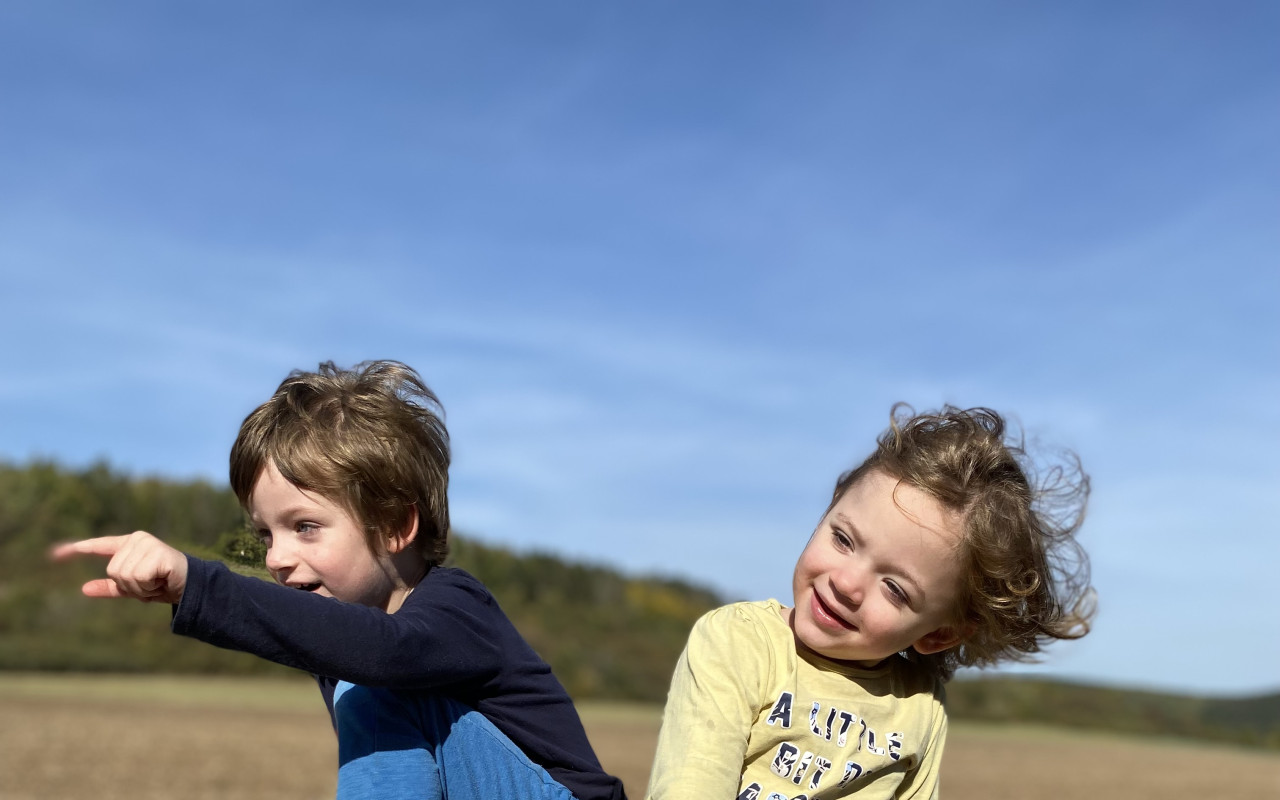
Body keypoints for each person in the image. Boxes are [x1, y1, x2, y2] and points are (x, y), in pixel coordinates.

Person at [54, 360, 626, 800]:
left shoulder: (456, 606)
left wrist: (196, 585)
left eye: (305, 527)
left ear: (397, 524)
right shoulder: (354, 648)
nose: (276, 557)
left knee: (367, 680)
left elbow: (384, 651)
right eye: (265, 535)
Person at [645, 405, 1095, 800]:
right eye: (843, 539)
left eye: (895, 588)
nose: (846, 583)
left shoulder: (918, 704)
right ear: (830, 507)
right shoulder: (739, 642)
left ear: (940, 633)